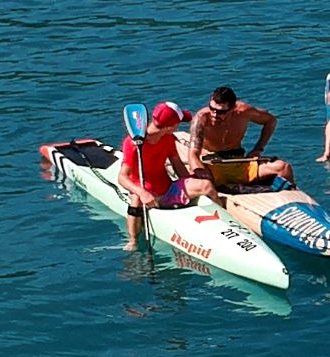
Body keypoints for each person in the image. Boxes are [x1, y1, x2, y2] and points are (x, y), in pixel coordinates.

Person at [119, 101, 210, 247]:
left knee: (205, 185)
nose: (179, 127)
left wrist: (190, 182)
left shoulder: (168, 138)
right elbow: (122, 177)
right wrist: (142, 192)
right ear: (171, 126)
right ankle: (133, 241)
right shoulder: (132, 144)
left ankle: (223, 223)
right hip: (148, 194)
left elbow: (178, 165)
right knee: (135, 199)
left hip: (168, 189)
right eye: (178, 124)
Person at [186, 86, 288, 190]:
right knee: (195, 177)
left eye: (221, 112)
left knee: (283, 167)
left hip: (239, 162)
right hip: (212, 165)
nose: (214, 114)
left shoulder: (244, 112)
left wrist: (258, 149)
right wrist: (199, 170)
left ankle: (293, 201)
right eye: (212, 109)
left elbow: (271, 121)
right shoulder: (201, 118)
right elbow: (193, 153)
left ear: (232, 108)